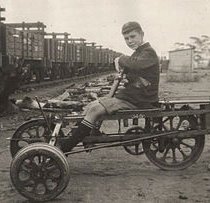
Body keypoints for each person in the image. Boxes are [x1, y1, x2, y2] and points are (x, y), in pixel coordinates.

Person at [57, 21, 160, 153]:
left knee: (94, 110)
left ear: (142, 34)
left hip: (141, 99)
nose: (130, 41)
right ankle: (81, 135)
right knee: (91, 106)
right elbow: (134, 66)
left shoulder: (148, 52)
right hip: (134, 96)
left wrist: (120, 59)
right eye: (126, 38)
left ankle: (66, 147)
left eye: (133, 37)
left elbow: (135, 65)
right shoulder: (139, 52)